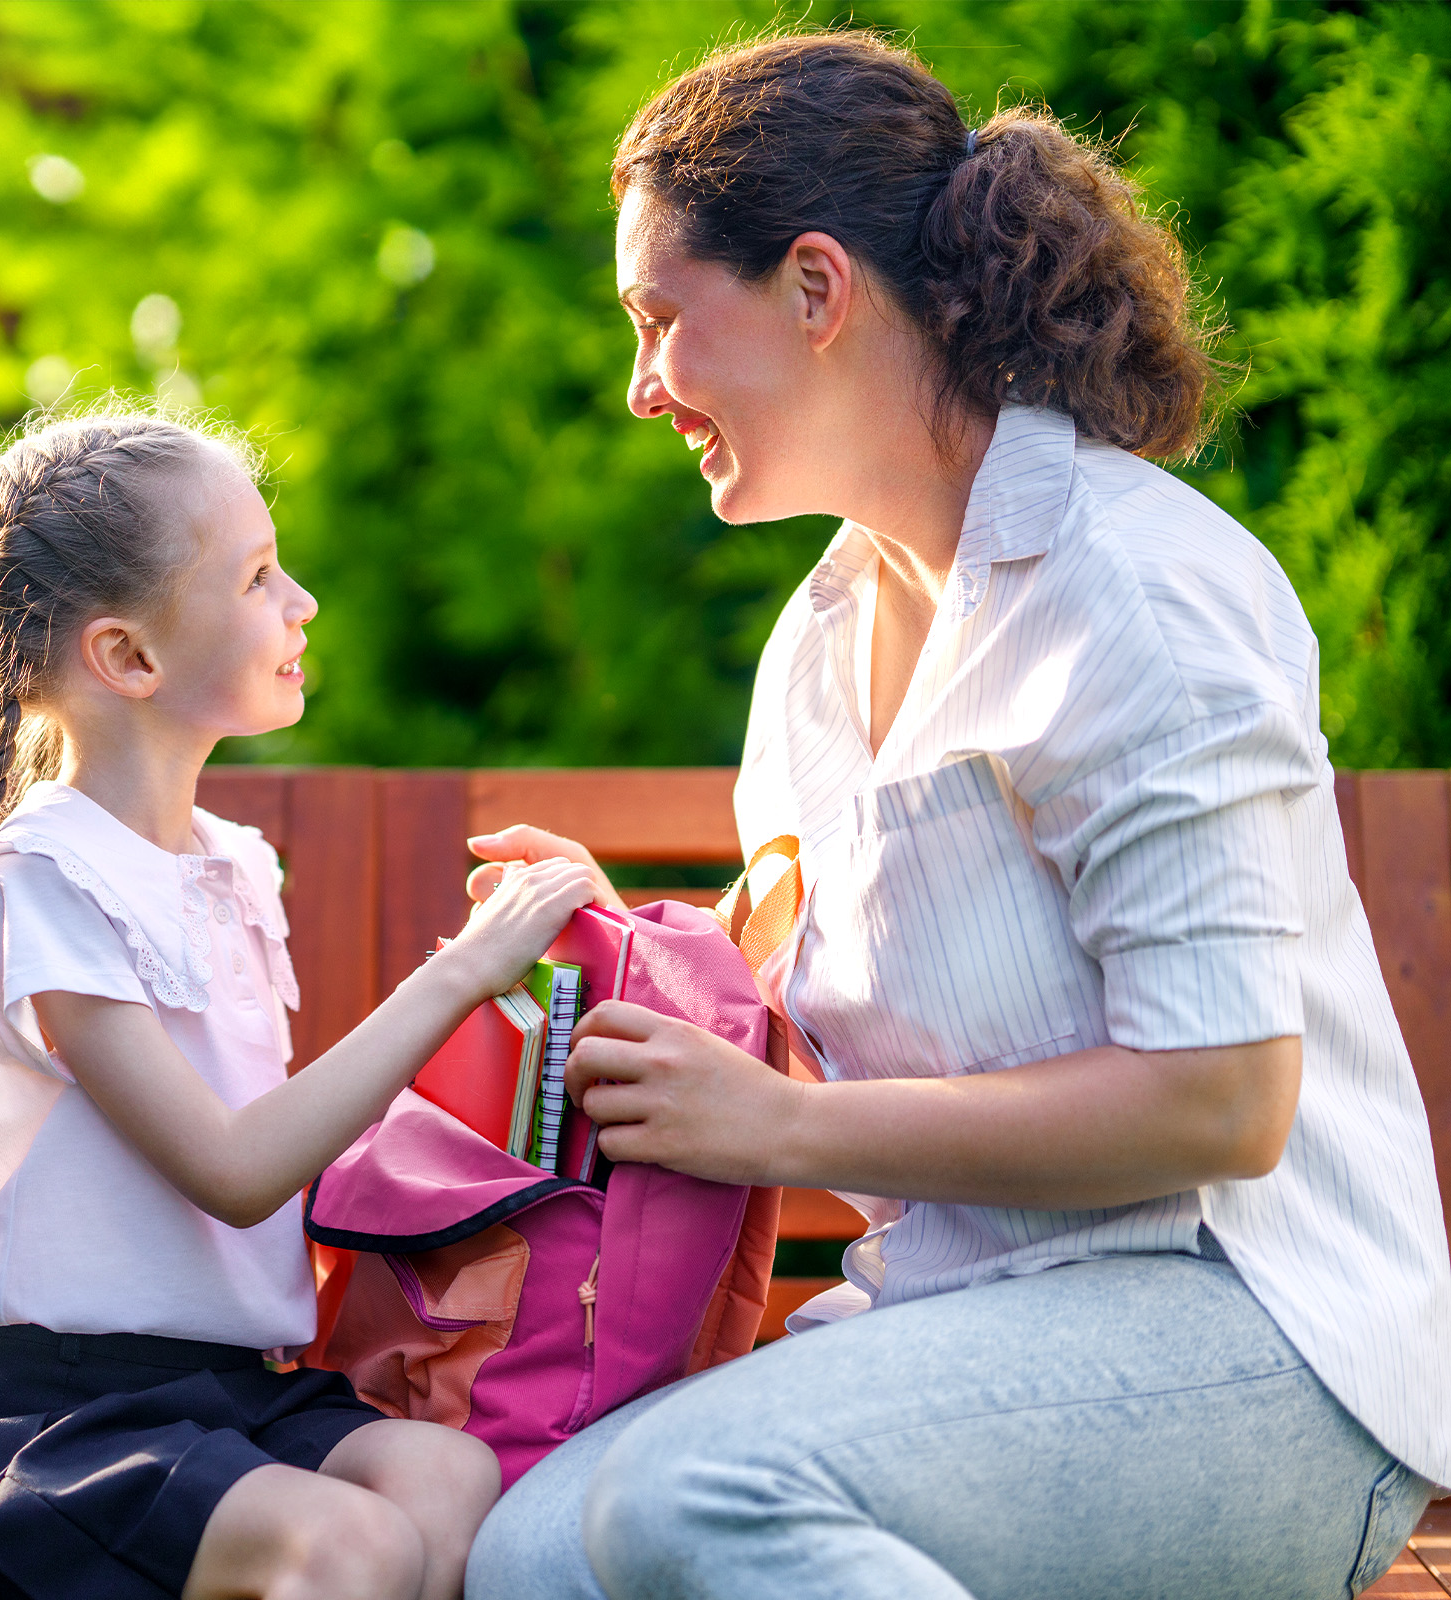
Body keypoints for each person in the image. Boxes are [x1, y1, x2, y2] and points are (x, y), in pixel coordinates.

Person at [464, 30, 1450, 1600]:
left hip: (1259, 1339)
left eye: (660, 321)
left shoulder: (1137, 596)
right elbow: (853, 1003)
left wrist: (789, 1129)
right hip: (966, 1317)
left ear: (813, 286)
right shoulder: (815, 647)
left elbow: (1223, 1101)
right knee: (519, 1558)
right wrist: (627, 935)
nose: (642, 385)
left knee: (687, 1508)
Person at [0, 411, 597, 1600]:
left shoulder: (233, 865)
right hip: (51, 1411)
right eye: (259, 576)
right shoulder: (41, 879)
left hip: (230, 1389)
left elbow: (274, 1142)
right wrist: (459, 972)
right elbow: (229, 1167)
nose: (303, 601)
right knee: (350, 1544)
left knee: (444, 1478)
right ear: (127, 659)